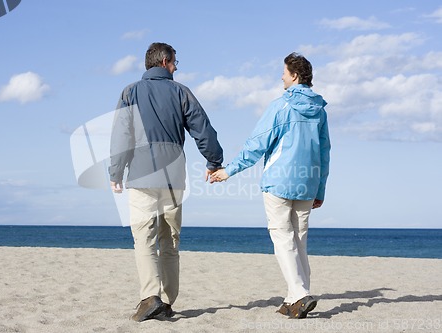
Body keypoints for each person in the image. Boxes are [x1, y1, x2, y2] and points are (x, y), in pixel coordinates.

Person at [210, 52, 330, 319]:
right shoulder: (319, 111)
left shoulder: (281, 106)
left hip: (279, 181)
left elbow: (257, 144)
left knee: (283, 237)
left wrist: (228, 171)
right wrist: (320, 188)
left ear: (295, 75)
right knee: (299, 240)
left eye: (284, 72)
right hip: (308, 183)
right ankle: (294, 298)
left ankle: (299, 294)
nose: (281, 77)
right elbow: (325, 153)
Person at [109, 42, 223, 322]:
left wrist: (115, 172)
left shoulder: (130, 91)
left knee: (144, 239)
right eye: (174, 62)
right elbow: (202, 129)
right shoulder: (181, 92)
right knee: (170, 240)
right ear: (163, 61)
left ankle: (151, 297)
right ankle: (168, 301)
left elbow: (120, 136)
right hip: (174, 176)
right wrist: (214, 161)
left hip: (142, 174)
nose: (176, 66)